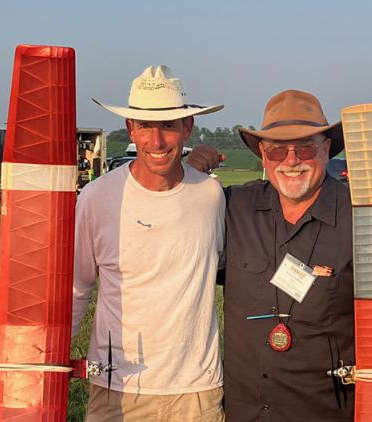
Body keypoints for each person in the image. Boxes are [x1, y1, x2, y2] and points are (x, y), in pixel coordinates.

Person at [188, 90, 355, 421]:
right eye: (278, 150)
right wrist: (189, 178)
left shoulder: (361, 217)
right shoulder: (233, 207)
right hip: (246, 410)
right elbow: (176, 241)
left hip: (325, 410)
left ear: (325, 149)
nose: (291, 161)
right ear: (263, 155)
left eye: (304, 147)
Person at [72, 65, 226, 422]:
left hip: (196, 392)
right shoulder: (96, 198)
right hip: (118, 391)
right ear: (130, 128)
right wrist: (48, 360)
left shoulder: (210, 194)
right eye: (144, 126)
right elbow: (78, 287)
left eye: (169, 126)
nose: (156, 142)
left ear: (188, 127)